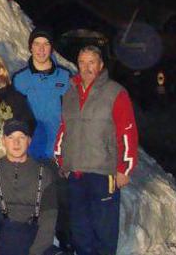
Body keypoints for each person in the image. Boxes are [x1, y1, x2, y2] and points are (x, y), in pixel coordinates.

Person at [54, 45, 138, 255]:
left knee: (104, 231)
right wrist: (60, 156)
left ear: (100, 65)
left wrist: (124, 167)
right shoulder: (71, 92)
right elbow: (65, 127)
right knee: (80, 229)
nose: (86, 67)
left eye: (92, 62)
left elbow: (127, 131)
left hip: (103, 173)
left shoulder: (115, 92)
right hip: (75, 173)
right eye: (82, 62)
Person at [0, 120, 58, 255]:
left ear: (29, 141)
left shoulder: (46, 174)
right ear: (3, 140)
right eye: (11, 137)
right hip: (0, 241)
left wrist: (35, 252)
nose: (16, 143)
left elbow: (49, 220)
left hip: (35, 242)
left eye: (21, 138)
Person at [12, 28, 72, 162]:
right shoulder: (19, 79)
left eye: (46, 44)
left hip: (59, 152)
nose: (41, 49)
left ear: (51, 48)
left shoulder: (65, 77)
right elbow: (15, 117)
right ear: (30, 47)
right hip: (29, 152)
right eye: (37, 44)